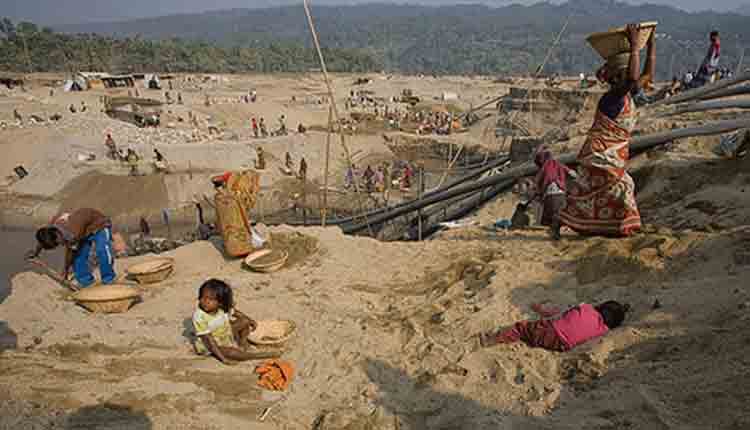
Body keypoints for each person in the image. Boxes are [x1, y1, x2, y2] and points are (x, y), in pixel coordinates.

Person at [558, 24, 652, 237]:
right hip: (602, 154)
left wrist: (651, 44)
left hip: (607, 152)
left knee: (590, 191)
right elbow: (633, 78)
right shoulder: (614, 97)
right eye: (627, 74)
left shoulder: (626, 94)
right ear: (619, 77)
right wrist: (636, 46)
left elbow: (646, 74)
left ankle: (603, 227)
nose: (632, 79)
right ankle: (623, 227)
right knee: (621, 186)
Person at [478, 301, 630, 352]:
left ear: (601, 306)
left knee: (521, 328)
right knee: (535, 336)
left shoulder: (586, 308)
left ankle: (492, 340)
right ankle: (530, 340)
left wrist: (540, 310)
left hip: (551, 332)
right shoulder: (604, 330)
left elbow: (557, 315)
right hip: (562, 346)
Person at [192, 279, 280, 365]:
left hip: (225, 333)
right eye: (203, 297)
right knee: (232, 352)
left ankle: (243, 343)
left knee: (245, 321)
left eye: (210, 299)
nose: (205, 301)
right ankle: (257, 356)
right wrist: (223, 359)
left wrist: (250, 321)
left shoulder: (222, 308)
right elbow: (209, 340)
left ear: (220, 302)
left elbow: (236, 313)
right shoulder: (199, 317)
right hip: (210, 345)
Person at [26, 208, 117, 289]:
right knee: (78, 259)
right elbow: (43, 238)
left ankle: (108, 279)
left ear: (58, 236)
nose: (61, 244)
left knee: (102, 250)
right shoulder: (50, 228)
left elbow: (70, 253)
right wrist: (36, 253)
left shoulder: (72, 234)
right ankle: (86, 283)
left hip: (99, 225)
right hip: (84, 231)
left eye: (58, 243)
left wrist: (65, 270)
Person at [533, 147, 572, 240]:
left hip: (550, 195)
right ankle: (555, 233)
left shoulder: (544, 169)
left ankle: (555, 233)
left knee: (553, 215)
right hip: (561, 193)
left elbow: (540, 181)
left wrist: (538, 192)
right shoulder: (559, 165)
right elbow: (572, 173)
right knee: (558, 214)